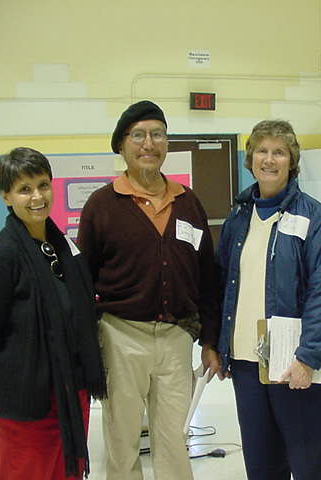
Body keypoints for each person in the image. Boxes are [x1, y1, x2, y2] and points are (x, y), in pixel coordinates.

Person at [77, 100, 220, 480]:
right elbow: (83, 280)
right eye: (138, 135)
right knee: (122, 441)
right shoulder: (102, 206)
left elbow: (207, 275)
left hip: (175, 336)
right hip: (120, 335)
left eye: (157, 134)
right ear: (121, 146)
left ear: (167, 143)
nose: (148, 143)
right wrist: (88, 344)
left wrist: (210, 339)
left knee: (174, 440)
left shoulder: (188, 202)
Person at [212, 120, 321, 480]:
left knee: (307, 465)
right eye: (261, 150)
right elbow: (222, 283)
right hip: (247, 363)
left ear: (292, 160)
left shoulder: (315, 219)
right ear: (250, 158)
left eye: (279, 152)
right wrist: (219, 346)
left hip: (296, 366)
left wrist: (308, 357)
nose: (269, 159)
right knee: (261, 466)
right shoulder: (239, 218)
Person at [0, 147, 106, 479]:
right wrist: (14, 383)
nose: (36, 196)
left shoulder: (62, 246)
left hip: (70, 394)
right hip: (27, 407)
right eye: (24, 189)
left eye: (43, 185)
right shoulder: (2, 258)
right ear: (5, 196)